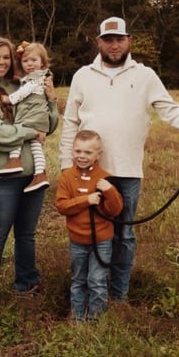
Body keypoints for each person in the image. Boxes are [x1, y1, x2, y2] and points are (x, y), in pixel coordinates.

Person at [59, 16, 179, 301]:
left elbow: (170, 109)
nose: (114, 45)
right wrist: (66, 168)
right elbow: (70, 123)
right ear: (98, 42)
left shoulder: (145, 76)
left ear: (129, 41)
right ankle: (86, 291)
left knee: (123, 235)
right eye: (108, 40)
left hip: (126, 172)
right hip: (88, 171)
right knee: (88, 232)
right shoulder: (83, 76)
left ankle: (118, 295)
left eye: (119, 39)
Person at [0, 36, 59, 302]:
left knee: (26, 235)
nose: (2, 62)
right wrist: (31, 131)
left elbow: (48, 127)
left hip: (32, 174)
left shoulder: (26, 84)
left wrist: (51, 100)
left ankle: (27, 283)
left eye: (6, 57)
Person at [55, 130, 123, 322]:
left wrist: (109, 191)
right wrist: (86, 200)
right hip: (77, 240)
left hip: (101, 241)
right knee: (78, 280)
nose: (82, 157)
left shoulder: (106, 178)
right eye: (78, 151)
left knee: (97, 280)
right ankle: (77, 319)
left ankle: (96, 320)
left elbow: (115, 211)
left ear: (98, 155)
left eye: (87, 153)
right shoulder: (67, 176)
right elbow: (61, 205)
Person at [0, 40, 53, 192]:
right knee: (36, 146)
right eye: (25, 60)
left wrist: (8, 99)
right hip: (38, 118)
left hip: (32, 116)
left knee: (18, 133)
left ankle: (14, 159)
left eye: (33, 60)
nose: (29, 63)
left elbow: (24, 92)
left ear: (42, 63)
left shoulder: (37, 78)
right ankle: (40, 174)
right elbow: (23, 83)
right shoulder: (34, 77)